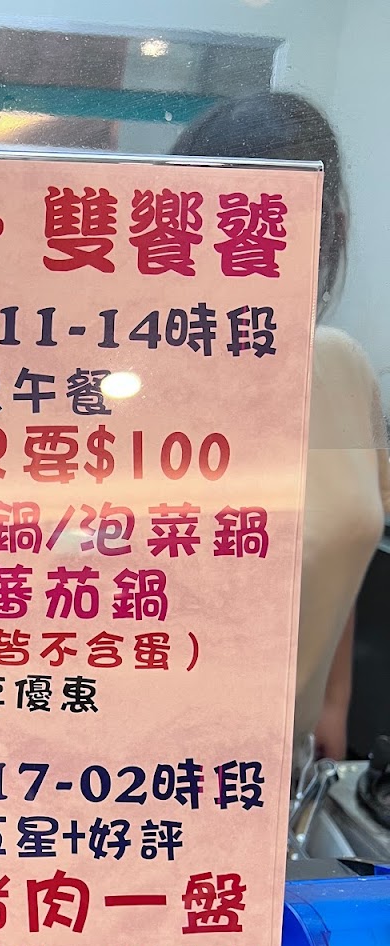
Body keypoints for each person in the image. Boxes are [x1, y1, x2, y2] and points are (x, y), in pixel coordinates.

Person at [172, 91, 390, 760]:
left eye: (277, 229)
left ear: (331, 231)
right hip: (143, 765)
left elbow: (338, 551)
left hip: (287, 763)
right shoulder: (140, 386)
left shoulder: (343, 369)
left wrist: (334, 705)